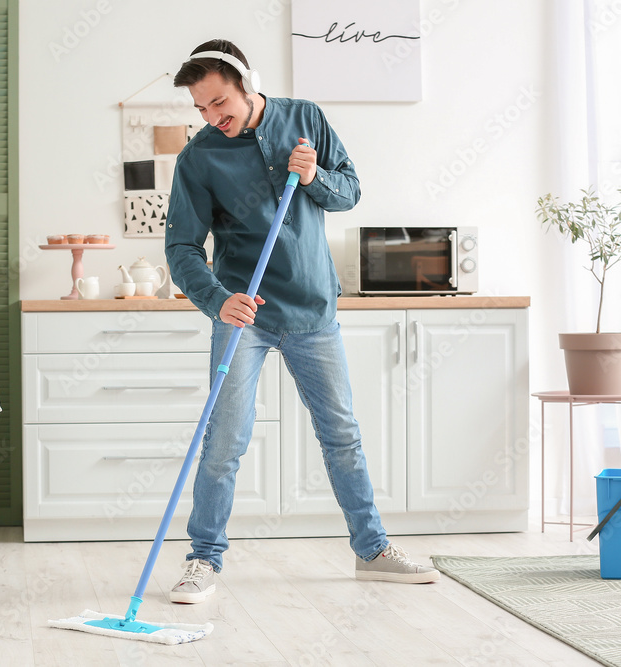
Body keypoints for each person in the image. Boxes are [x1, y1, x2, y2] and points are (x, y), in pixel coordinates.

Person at [164, 39, 440, 604]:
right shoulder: (199, 157)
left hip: (313, 308)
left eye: (220, 103)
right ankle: (203, 560)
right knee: (225, 443)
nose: (214, 118)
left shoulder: (305, 118)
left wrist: (314, 178)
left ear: (246, 84)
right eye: (202, 110)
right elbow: (182, 248)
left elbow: (349, 192)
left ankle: (372, 550)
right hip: (245, 315)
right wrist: (218, 300)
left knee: (342, 437)